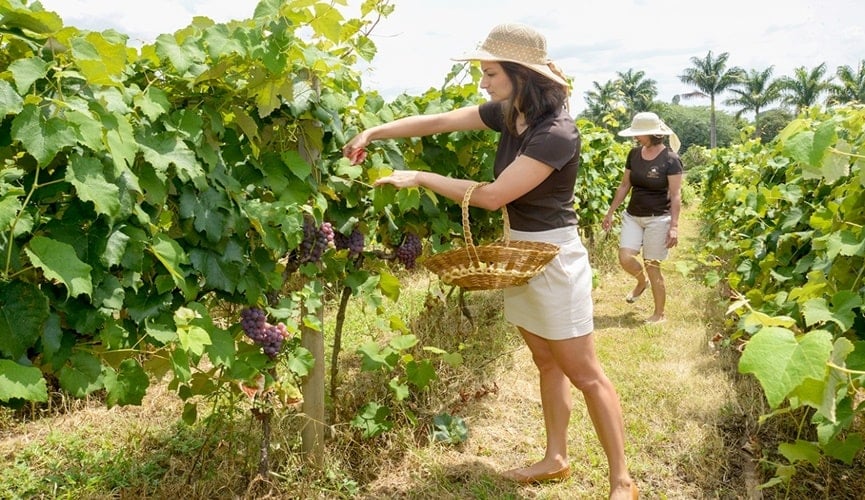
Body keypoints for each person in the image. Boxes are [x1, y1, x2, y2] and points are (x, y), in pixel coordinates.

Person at [343, 23, 638, 500]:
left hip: (555, 257)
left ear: (522, 75)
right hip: (516, 253)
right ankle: (556, 458)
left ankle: (622, 479)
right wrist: (374, 131)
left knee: (584, 372)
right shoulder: (510, 115)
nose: (484, 82)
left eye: (491, 73)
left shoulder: (556, 132)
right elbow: (439, 122)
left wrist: (421, 176)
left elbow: (496, 196)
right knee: (546, 361)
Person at [602, 112, 683, 324]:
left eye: (639, 134)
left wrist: (674, 226)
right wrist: (610, 212)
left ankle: (659, 314)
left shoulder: (671, 160)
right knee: (625, 257)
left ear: (652, 134)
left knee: (652, 265)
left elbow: (675, 195)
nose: (635, 138)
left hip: (658, 218)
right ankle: (641, 282)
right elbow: (624, 185)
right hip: (633, 216)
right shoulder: (634, 154)